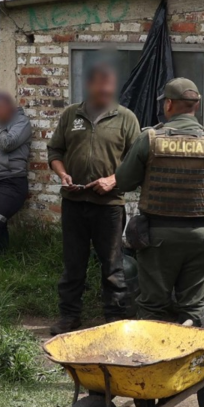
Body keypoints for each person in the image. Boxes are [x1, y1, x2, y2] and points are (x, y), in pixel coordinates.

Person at [116, 78, 204, 327]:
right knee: (193, 307)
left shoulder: (150, 138)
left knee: (152, 307)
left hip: (156, 239)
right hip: (201, 238)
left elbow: (123, 182)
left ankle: (149, 352)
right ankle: (191, 352)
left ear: (168, 104)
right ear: (196, 106)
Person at [47, 63, 140, 334]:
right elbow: (55, 151)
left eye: (110, 84)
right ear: (89, 85)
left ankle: (114, 319)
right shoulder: (71, 115)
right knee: (73, 264)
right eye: (100, 84)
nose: (106, 89)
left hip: (109, 206)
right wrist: (63, 174)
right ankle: (69, 316)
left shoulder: (126, 118)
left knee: (112, 266)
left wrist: (113, 180)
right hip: (73, 203)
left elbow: (137, 162)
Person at [0, 90, 32, 255]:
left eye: (1, 107)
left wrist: (1, 124)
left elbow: (7, 143)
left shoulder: (22, 122)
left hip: (10, 183)